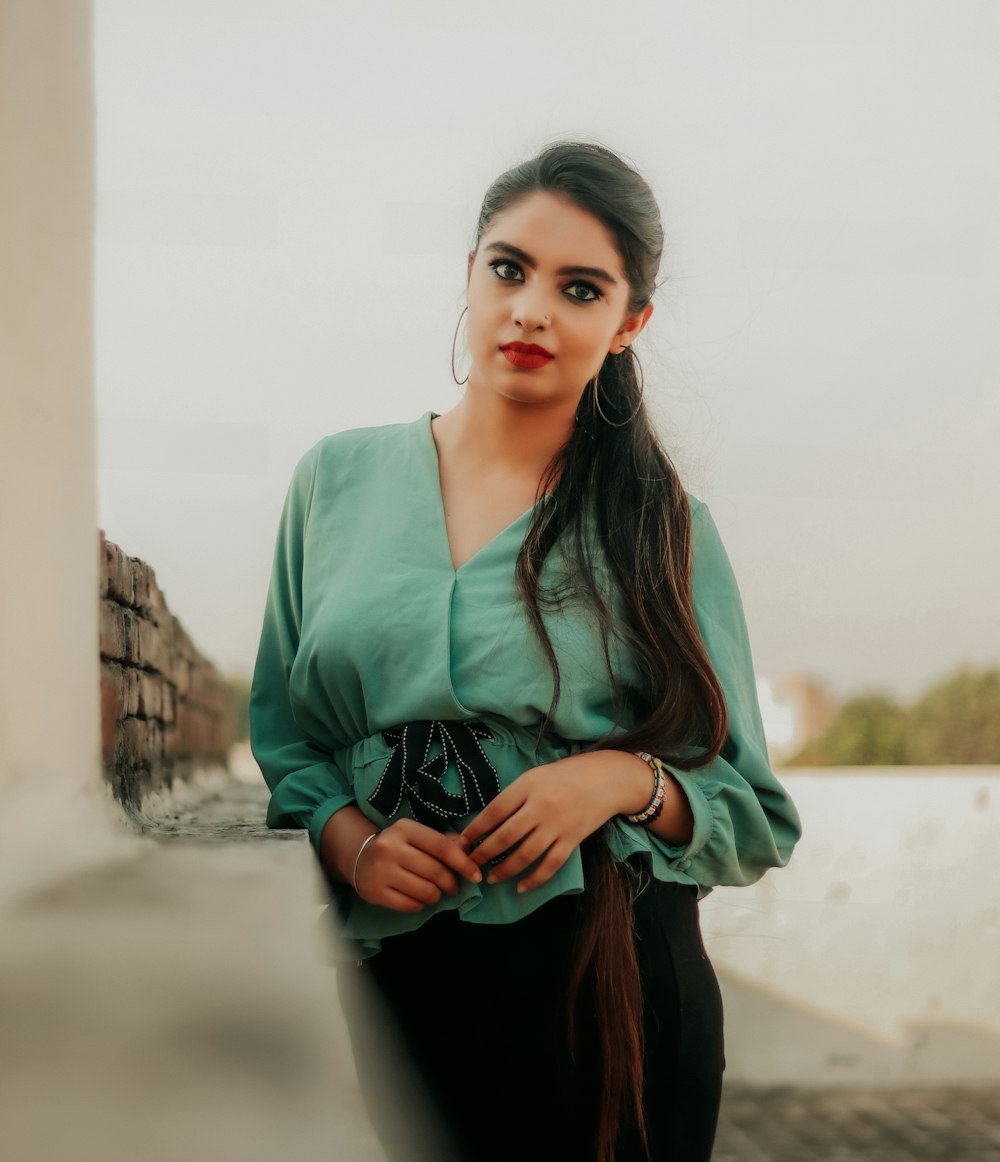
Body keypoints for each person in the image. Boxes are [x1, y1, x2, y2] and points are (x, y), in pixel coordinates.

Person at [249, 139, 803, 1162]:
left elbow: (755, 816)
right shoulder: (332, 481)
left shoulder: (663, 528)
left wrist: (617, 778)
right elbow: (286, 744)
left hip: (617, 993)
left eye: (579, 286)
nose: (530, 308)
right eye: (508, 267)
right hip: (397, 991)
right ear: (468, 271)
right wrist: (354, 842)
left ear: (628, 321)